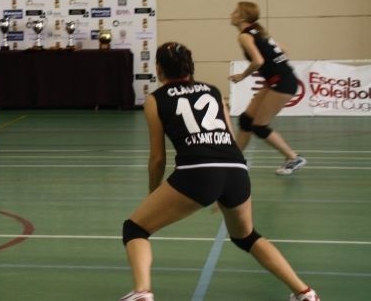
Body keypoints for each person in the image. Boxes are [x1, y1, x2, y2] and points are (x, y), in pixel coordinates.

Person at [119, 42, 320, 301]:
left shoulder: (155, 99)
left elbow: (158, 158)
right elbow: (230, 138)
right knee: (246, 236)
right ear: (190, 67)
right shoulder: (213, 91)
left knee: (135, 229)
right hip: (236, 170)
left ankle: (142, 292)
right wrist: (223, 186)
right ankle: (305, 292)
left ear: (159, 69)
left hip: (197, 173)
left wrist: (153, 192)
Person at [228, 1, 306, 175]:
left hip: (282, 83)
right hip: (279, 80)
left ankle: (293, 157)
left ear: (242, 17)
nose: (231, 14)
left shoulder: (245, 36)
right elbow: (284, 50)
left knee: (259, 126)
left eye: (235, 11)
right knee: (246, 120)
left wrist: (242, 76)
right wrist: (274, 72)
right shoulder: (258, 32)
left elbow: (258, 61)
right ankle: (236, 160)